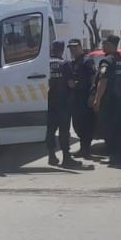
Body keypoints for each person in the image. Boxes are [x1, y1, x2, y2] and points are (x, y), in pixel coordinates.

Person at [92, 34, 121, 167]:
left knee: (109, 130)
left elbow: (103, 81)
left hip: (109, 101)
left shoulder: (106, 61)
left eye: (104, 44)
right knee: (119, 129)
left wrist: (97, 99)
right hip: (120, 100)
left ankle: (113, 156)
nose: (103, 46)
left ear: (110, 45)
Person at [45, 40, 79, 168]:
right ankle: (66, 158)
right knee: (64, 131)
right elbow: (70, 83)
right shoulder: (64, 64)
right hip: (63, 102)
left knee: (50, 130)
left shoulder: (45, 64)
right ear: (62, 49)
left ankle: (51, 156)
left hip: (49, 102)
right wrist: (76, 85)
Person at [66, 39, 98, 158]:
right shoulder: (73, 62)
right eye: (70, 48)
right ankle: (83, 149)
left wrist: (92, 94)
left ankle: (86, 150)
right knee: (77, 124)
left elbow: (93, 78)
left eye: (75, 47)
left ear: (80, 47)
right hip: (76, 97)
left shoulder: (87, 61)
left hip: (85, 97)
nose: (73, 50)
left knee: (86, 124)